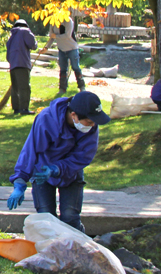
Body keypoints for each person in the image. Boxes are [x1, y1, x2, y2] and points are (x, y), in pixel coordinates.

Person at [6, 91, 111, 233]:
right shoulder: (46, 119)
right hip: (42, 172)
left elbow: (83, 156)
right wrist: (20, 180)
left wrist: (57, 169)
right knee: (46, 217)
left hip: (71, 172)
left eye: (94, 122)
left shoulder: (90, 128)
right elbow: (31, 150)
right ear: (74, 115)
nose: (92, 125)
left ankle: (76, 250)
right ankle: (50, 251)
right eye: (89, 121)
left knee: (70, 217)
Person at [6, 19, 37, 115]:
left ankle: (16, 109)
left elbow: (7, 54)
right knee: (24, 87)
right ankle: (24, 109)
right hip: (22, 63)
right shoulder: (25, 31)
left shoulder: (12, 36)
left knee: (15, 88)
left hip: (13, 65)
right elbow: (33, 45)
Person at [49, 16, 85, 96]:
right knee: (63, 69)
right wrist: (46, 47)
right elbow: (51, 36)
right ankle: (62, 88)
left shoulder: (68, 21)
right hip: (61, 49)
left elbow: (67, 35)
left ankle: (82, 87)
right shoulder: (52, 21)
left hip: (72, 48)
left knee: (76, 67)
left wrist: (56, 36)